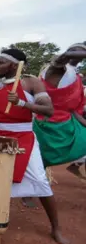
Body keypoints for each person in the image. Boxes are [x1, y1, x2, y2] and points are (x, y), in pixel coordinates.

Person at [0, 48, 69, 244]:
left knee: (39, 179)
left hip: (23, 136)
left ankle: (56, 227)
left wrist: (21, 103)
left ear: (14, 65)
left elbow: (49, 110)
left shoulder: (31, 83)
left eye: (1, 62)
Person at [32, 43, 86, 178]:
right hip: (50, 123)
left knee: (38, 162)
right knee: (37, 161)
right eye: (76, 51)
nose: (79, 53)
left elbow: (74, 105)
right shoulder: (56, 68)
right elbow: (65, 57)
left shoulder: (74, 73)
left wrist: (80, 120)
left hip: (66, 121)